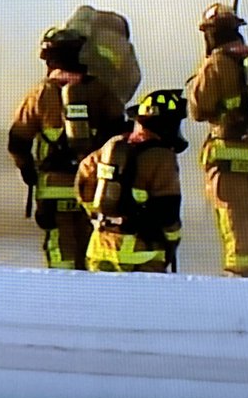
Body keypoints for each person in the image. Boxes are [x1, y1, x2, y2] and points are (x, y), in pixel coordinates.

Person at [8, 27, 126, 270]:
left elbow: (17, 142)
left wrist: (27, 170)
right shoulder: (101, 91)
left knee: (59, 249)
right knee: (93, 244)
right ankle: (89, 295)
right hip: (93, 188)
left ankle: (62, 295)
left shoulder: (40, 94)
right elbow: (120, 137)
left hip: (52, 188)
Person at [186, 3, 248, 278]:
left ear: (210, 34)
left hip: (227, 151)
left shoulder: (215, 63)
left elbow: (198, 110)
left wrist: (203, 75)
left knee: (231, 214)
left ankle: (240, 270)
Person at [77, 89, 186, 273]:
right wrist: (172, 241)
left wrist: (97, 216)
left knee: (101, 302)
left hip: (100, 249)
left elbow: (83, 185)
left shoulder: (111, 146)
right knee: (141, 302)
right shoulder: (163, 157)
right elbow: (168, 211)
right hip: (143, 257)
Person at [64, 5, 143, 105]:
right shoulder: (122, 45)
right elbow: (131, 78)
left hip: (68, 100)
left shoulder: (65, 39)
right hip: (103, 101)